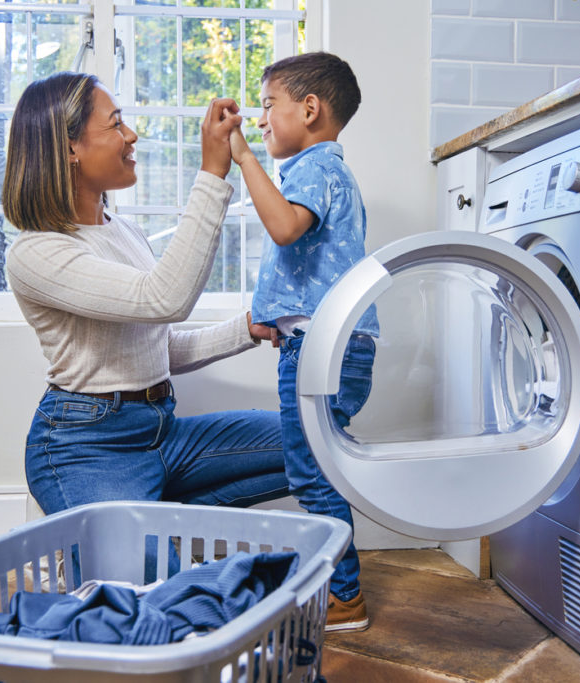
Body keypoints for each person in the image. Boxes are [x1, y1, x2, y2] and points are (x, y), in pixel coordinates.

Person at [2, 72, 289, 520]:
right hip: (87, 446)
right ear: (69, 148)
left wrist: (245, 328)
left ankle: (156, 523)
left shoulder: (126, 234)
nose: (131, 135)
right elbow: (165, 299)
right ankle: (129, 538)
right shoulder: (37, 252)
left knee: (310, 443)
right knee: (148, 588)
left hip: (163, 433)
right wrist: (212, 173)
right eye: (115, 124)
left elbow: (158, 346)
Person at [229, 52, 379, 632]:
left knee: (311, 473)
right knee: (315, 466)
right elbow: (308, 260)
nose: (261, 120)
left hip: (323, 350)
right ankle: (333, 580)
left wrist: (242, 156)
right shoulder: (324, 170)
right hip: (325, 344)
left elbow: (287, 228)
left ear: (310, 109)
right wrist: (280, 319)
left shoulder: (314, 167)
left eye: (268, 106)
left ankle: (344, 595)